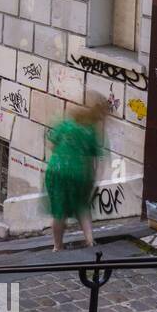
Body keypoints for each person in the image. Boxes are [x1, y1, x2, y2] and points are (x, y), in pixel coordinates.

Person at [44, 92, 109, 252]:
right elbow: (93, 160)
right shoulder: (91, 132)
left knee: (59, 211)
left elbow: (51, 145)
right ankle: (90, 240)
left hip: (57, 170)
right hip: (80, 173)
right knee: (82, 206)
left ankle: (57, 246)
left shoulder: (66, 125)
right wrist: (92, 180)